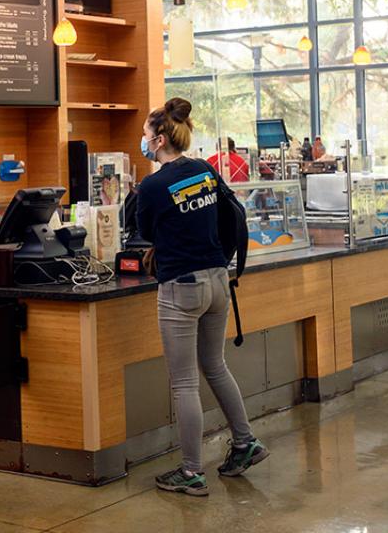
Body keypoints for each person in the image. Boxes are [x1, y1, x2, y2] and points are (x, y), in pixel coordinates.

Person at [136, 98, 269, 497]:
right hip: (218, 280)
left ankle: (192, 471)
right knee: (215, 365)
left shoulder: (152, 186)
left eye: (145, 134)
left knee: (183, 383)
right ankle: (245, 443)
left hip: (181, 286)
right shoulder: (205, 171)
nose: (143, 141)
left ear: (159, 140)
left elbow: (145, 231)